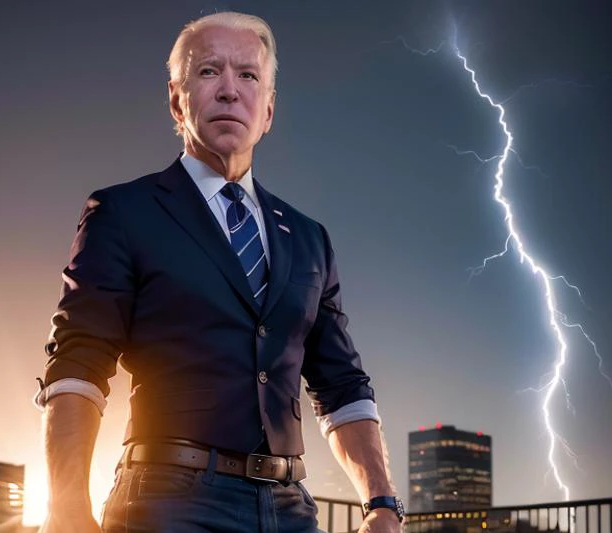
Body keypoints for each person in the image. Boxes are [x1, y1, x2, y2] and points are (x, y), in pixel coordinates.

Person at [35, 11, 403, 533]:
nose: (230, 90)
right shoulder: (124, 212)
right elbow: (78, 362)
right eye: (209, 72)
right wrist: (67, 507)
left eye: (248, 75)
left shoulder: (309, 238)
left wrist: (382, 504)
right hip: (166, 502)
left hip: (290, 507)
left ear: (268, 109)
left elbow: (342, 384)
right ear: (175, 100)